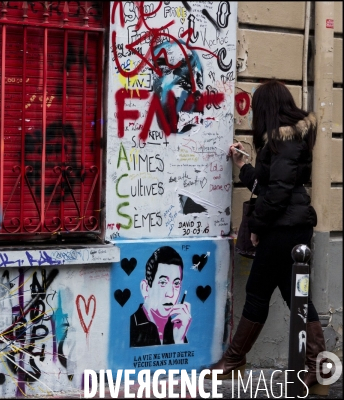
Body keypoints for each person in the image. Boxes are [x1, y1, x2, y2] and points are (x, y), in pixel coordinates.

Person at [210, 80, 328, 395]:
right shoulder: (284, 140)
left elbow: (276, 194)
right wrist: (244, 167)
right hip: (290, 227)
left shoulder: (285, 141)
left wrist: (258, 228)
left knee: (259, 292)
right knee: (294, 295)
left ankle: (234, 360)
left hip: (283, 230)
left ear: (267, 109)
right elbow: (269, 183)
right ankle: (316, 364)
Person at [130, 246, 191, 347]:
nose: (170, 294)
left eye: (176, 283)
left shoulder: (178, 327)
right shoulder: (131, 327)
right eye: (163, 282)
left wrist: (179, 340)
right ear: (145, 288)